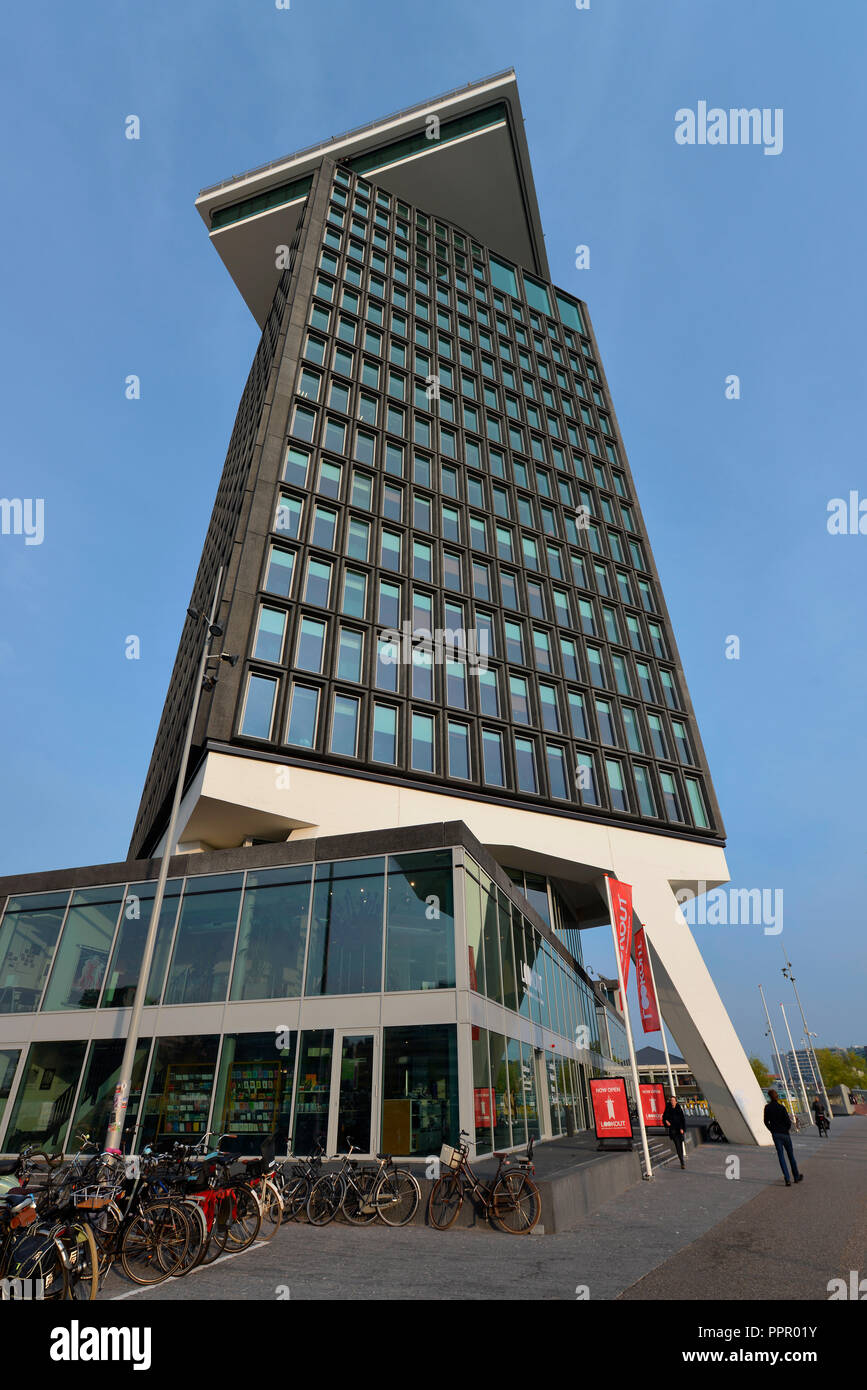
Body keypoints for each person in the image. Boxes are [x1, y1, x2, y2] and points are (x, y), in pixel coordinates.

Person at [764, 1089, 804, 1186]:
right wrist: (786, 1129)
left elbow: (765, 1121)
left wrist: (772, 1130)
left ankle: (787, 1179)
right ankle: (796, 1176)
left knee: (781, 1156)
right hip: (785, 1134)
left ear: (769, 1097)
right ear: (777, 1096)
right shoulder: (781, 1108)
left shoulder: (767, 1108)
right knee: (791, 1156)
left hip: (776, 1135)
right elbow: (788, 1122)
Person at [662, 1093, 687, 1168]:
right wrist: (666, 1121)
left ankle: (681, 1159)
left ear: (676, 1102)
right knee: (677, 1146)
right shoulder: (668, 1108)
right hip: (673, 1130)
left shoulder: (679, 1108)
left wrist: (682, 1128)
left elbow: (683, 1119)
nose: (672, 1102)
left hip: (679, 1130)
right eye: (671, 1101)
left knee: (680, 1145)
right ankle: (682, 1162)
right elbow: (664, 1117)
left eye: (673, 1101)